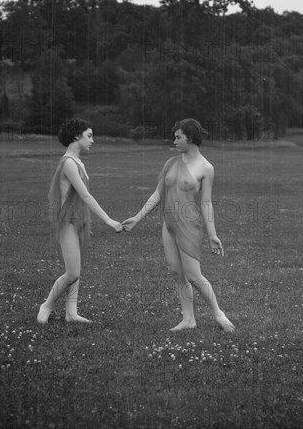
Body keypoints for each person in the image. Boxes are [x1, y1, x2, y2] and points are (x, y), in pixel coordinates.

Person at [122, 118, 235, 332]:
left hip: (189, 225)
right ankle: (188, 319)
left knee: (193, 275)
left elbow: (206, 202)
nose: (174, 140)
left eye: (178, 136)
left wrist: (212, 235)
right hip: (169, 224)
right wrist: (137, 218)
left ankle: (218, 313)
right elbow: (158, 194)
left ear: (190, 138)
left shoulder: (206, 167)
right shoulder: (170, 163)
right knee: (176, 273)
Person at [37, 118, 123, 324]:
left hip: (78, 220)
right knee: (72, 272)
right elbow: (85, 196)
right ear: (77, 136)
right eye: (89, 135)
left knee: (76, 269)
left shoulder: (78, 162)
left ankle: (71, 313)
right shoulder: (68, 163)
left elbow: (80, 200)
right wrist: (109, 220)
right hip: (67, 222)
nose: (92, 140)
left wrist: (85, 223)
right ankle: (46, 305)